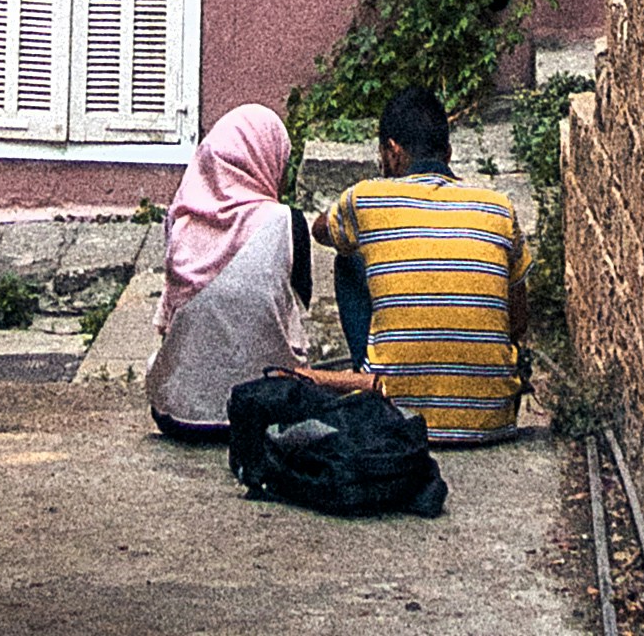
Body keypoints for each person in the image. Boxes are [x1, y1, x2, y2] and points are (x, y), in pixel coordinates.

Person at [315, 84, 528, 443]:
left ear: (393, 152)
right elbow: (518, 321)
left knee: (348, 258)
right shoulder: (498, 208)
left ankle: (373, 375)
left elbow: (320, 230)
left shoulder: (366, 198)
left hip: (394, 416)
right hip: (492, 420)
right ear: (449, 152)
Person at [147, 100, 314, 443]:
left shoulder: (180, 221)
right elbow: (303, 298)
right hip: (270, 414)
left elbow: (171, 321)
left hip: (180, 416)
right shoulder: (288, 222)